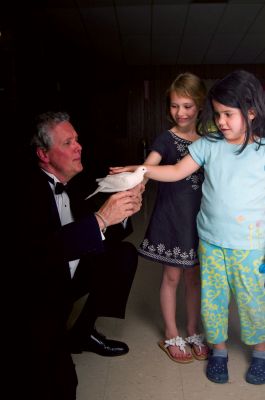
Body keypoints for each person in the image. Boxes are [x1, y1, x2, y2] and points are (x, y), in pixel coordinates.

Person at [110, 70, 265, 385]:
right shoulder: (209, 145)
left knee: (253, 302)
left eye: (228, 114)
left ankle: (261, 353)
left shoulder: (262, 151)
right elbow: (177, 170)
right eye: (218, 113)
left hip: (251, 245)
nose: (221, 121)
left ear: (250, 112)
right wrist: (140, 170)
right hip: (210, 241)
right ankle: (218, 351)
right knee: (213, 300)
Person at [16, 111, 144, 399]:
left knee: (122, 255)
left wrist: (123, 209)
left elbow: (107, 233)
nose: (79, 147)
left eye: (77, 139)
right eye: (68, 142)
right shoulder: (24, 193)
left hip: (69, 272)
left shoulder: (77, 181)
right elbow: (38, 256)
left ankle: (83, 330)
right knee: (61, 384)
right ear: (43, 154)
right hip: (36, 292)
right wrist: (100, 219)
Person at [138, 72, 209, 363]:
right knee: (172, 276)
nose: (180, 112)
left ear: (200, 106)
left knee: (195, 278)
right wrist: (137, 180)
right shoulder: (166, 139)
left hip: (200, 221)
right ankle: (171, 333)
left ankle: (192, 330)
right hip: (171, 218)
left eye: (187, 106)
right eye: (174, 105)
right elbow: (148, 166)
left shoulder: (208, 142)